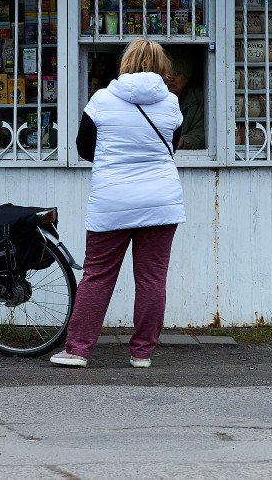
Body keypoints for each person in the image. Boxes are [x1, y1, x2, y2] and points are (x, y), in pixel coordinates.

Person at [51, 37, 184, 369]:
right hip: (160, 201)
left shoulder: (101, 100)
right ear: (162, 67)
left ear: (126, 63)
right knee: (152, 278)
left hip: (112, 200)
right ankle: (142, 353)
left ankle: (78, 350)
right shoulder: (171, 104)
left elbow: (84, 148)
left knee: (97, 274)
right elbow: (174, 146)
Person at [165, 52, 205, 150]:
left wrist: (184, 142)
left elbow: (202, 132)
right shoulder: (149, 98)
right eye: (167, 73)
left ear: (187, 78)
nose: (171, 78)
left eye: (177, 73)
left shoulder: (199, 98)